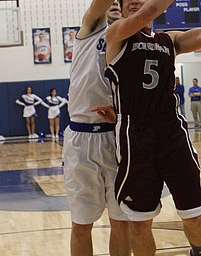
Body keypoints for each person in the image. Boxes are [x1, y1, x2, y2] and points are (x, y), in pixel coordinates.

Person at [104, 0, 201, 255]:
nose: (134, 1)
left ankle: (199, 252)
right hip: (134, 133)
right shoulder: (116, 34)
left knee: (192, 212)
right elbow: (149, 12)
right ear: (122, 8)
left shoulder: (169, 40)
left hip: (171, 128)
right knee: (139, 223)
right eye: (128, 0)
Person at [62, 1, 131, 256]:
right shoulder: (91, 28)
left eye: (119, 2)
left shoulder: (131, 40)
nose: (114, 3)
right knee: (81, 224)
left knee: (121, 221)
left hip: (116, 136)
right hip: (81, 136)